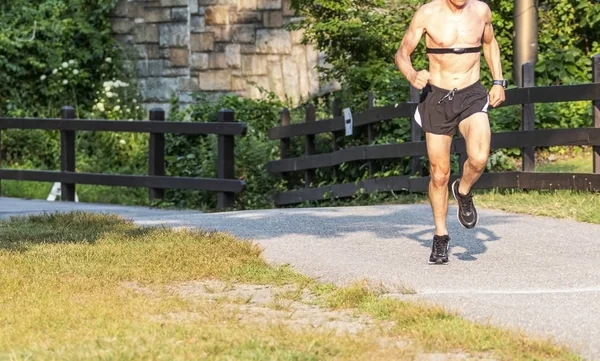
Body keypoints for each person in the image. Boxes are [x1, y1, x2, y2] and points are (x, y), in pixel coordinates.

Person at [394, 0, 507, 265]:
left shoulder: (481, 11)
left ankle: (464, 190)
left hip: (472, 94)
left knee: (479, 157)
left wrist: (499, 81)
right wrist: (411, 75)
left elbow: (490, 43)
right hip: (437, 98)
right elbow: (402, 53)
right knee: (439, 173)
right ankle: (441, 236)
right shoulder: (428, 13)